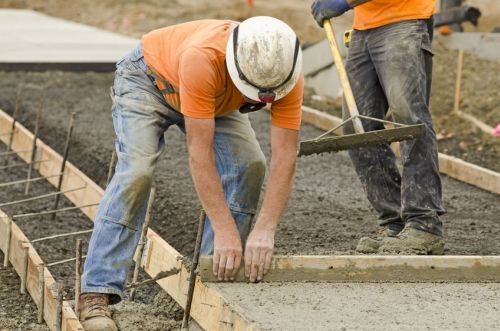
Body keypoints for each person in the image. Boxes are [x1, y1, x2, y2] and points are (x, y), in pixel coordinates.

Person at [79, 16, 303, 331]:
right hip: (150, 79)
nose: (256, 101)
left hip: (215, 98)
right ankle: (97, 291)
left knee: (250, 165)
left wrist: (265, 229)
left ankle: (211, 279)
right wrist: (225, 229)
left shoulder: (286, 71)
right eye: (251, 93)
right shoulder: (203, 57)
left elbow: (284, 155)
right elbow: (200, 152)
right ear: (237, 70)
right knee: (137, 172)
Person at [311, 0, 445, 254]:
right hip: (364, 29)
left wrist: (343, 1)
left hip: (405, 20)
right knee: (358, 127)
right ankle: (394, 221)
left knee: (409, 120)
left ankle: (424, 224)